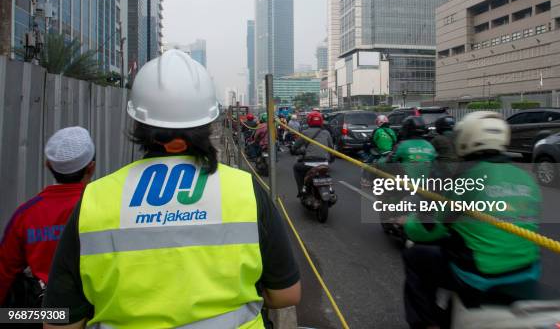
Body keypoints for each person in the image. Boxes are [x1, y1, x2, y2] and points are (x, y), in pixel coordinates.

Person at [43, 50, 300, 328]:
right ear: (208, 121)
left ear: (139, 122)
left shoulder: (95, 200)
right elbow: (287, 293)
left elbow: (59, 321)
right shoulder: (244, 190)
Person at [400, 111, 541, 329]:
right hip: (527, 269)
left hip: (480, 273)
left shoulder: (468, 178)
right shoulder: (526, 178)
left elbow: (432, 227)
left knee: (414, 256)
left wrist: (409, 226)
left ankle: (425, 323)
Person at [0, 127, 95, 306]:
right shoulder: (103, 206)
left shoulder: (25, 215)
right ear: (91, 167)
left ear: (48, 165)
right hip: (95, 311)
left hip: (46, 313)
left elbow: (4, 272)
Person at [292, 111, 333, 197]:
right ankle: (330, 189)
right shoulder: (326, 133)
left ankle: (301, 190)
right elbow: (331, 148)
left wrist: (294, 150)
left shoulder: (305, 132)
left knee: (296, 167)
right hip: (324, 163)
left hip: (309, 163)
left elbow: (296, 146)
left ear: (308, 121)